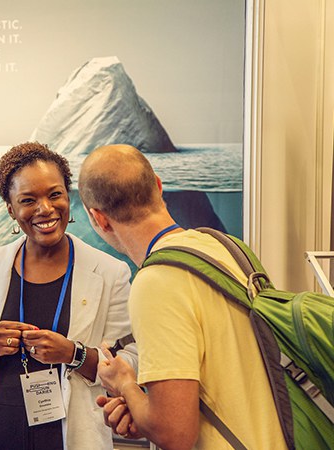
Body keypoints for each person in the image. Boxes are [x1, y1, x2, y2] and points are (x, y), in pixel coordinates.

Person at [78, 144, 287, 450]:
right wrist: (143, 408)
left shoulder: (156, 282)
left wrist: (123, 383)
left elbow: (175, 433)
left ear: (100, 219)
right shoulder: (227, 248)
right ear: (159, 187)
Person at [0, 142, 137, 450]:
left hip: (72, 435)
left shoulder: (110, 272)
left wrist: (74, 353)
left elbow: (130, 361)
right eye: (28, 200)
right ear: (11, 210)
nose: (45, 208)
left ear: (68, 197)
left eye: (55, 194)